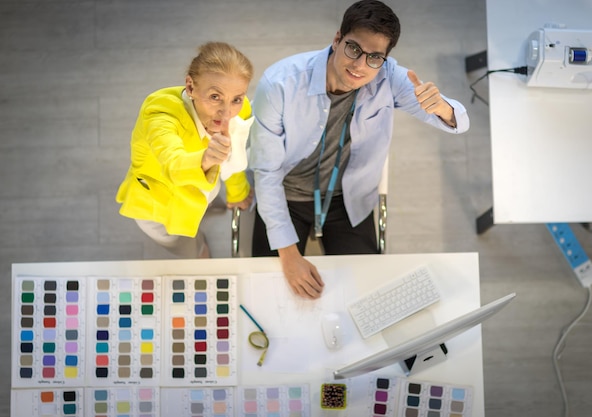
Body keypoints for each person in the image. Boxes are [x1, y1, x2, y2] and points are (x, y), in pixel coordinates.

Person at [248, 0, 470, 299]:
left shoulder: (389, 76)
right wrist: (288, 255)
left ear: (386, 60)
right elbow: (266, 172)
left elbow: (461, 122)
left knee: (370, 296)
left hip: (348, 198)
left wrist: (443, 108)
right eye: (354, 49)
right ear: (337, 38)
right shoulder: (280, 83)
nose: (360, 66)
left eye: (374, 57)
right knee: (269, 297)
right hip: (286, 194)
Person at [116, 42, 255, 258]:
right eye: (215, 96)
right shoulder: (160, 113)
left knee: (207, 201)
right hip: (163, 208)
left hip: (207, 188)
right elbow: (173, 163)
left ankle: (208, 208)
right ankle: (200, 250)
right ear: (190, 87)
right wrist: (207, 158)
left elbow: (234, 153)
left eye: (236, 99)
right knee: (190, 249)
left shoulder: (241, 107)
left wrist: (237, 192)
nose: (226, 113)